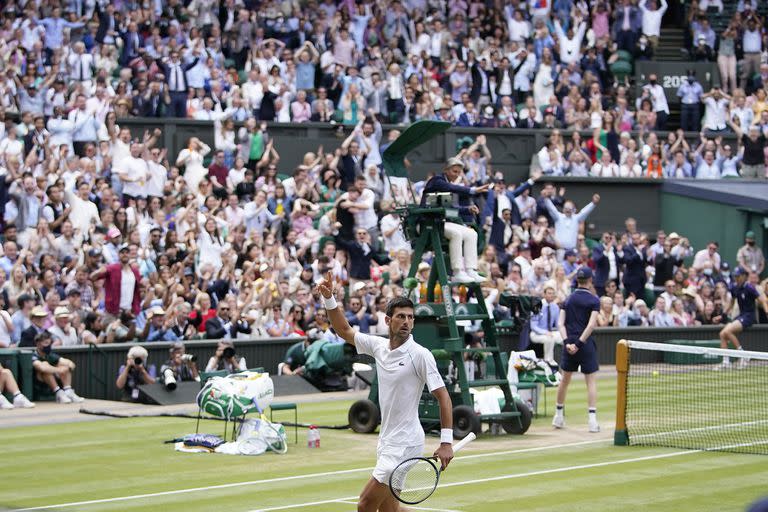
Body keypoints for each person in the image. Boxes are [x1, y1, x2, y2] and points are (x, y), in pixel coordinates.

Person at [315, 272, 453, 512]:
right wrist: (329, 299)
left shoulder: (420, 355)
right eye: (401, 317)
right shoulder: (379, 347)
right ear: (388, 320)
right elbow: (343, 330)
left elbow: (444, 397)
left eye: (410, 318)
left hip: (405, 443)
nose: (407, 322)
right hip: (387, 441)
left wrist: (446, 442)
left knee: (365, 505)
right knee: (390, 510)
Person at [420, 157, 490, 283]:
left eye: (459, 172)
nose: (456, 175)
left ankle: (470, 270)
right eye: (454, 171)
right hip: (429, 224)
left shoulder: (447, 187)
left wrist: (467, 209)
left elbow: (451, 209)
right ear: (446, 170)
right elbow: (452, 188)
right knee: (456, 234)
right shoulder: (437, 181)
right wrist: (472, 190)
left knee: (471, 234)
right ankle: (457, 272)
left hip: (442, 223)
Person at [552, 267, 601, 433]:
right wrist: (579, 344)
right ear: (590, 280)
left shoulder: (568, 299)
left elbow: (560, 324)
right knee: (591, 382)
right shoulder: (594, 300)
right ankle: (592, 422)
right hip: (584, 345)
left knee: (564, 380)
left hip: (569, 343)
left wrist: (568, 343)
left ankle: (558, 417)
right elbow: (592, 325)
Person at [718, 268, 768, 369]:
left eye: (738, 276)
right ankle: (726, 362)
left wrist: (767, 311)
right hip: (741, 316)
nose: (736, 278)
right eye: (735, 276)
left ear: (744, 276)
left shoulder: (749, 288)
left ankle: (743, 355)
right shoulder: (734, 288)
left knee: (728, 332)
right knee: (722, 334)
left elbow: (762, 300)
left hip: (749, 317)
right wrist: (723, 314)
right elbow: (731, 303)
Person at [31, 331, 85, 404]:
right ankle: (58, 393)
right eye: (46, 343)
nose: (48, 346)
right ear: (38, 344)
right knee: (46, 366)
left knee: (64, 366)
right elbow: (41, 368)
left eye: (50, 343)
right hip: (37, 384)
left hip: (53, 380)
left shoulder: (50, 355)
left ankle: (68, 391)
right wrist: (59, 370)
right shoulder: (33, 355)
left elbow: (70, 363)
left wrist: (67, 367)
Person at [529, 284, 562, 366]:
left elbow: (558, 324)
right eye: (549, 293)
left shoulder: (555, 307)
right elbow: (533, 327)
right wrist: (545, 332)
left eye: (553, 293)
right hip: (536, 334)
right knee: (549, 339)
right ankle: (548, 361)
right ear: (544, 294)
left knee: (566, 338)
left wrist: (562, 332)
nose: (551, 295)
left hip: (550, 333)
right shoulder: (537, 306)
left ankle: (570, 362)